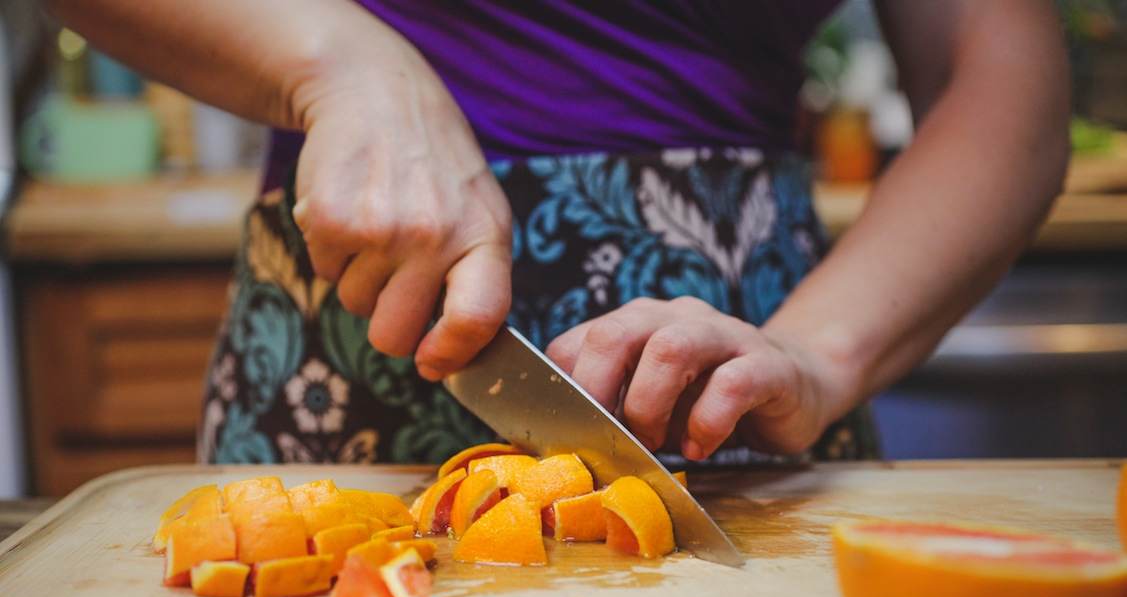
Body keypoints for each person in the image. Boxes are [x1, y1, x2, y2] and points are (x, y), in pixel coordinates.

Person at [48, 1, 1070, 466]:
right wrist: (336, 59)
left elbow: (996, 65)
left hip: (744, 349)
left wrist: (812, 351)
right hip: (353, 318)